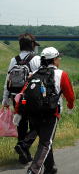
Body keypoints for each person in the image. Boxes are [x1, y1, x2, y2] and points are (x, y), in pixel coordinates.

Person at [14, 47, 75, 174]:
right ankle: (34, 170)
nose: (60, 59)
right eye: (58, 57)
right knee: (46, 143)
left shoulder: (34, 74)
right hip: (50, 113)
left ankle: (50, 167)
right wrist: (70, 105)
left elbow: (23, 93)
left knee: (45, 140)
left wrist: (18, 111)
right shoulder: (61, 74)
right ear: (54, 60)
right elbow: (70, 95)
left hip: (33, 113)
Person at [1, 33, 41, 164]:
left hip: (16, 98)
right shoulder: (37, 60)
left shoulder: (14, 60)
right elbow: (43, 79)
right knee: (37, 124)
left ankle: (23, 155)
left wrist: (5, 100)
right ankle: (24, 146)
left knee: (21, 125)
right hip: (32, 98)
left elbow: (8, 82)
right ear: (32, 45)